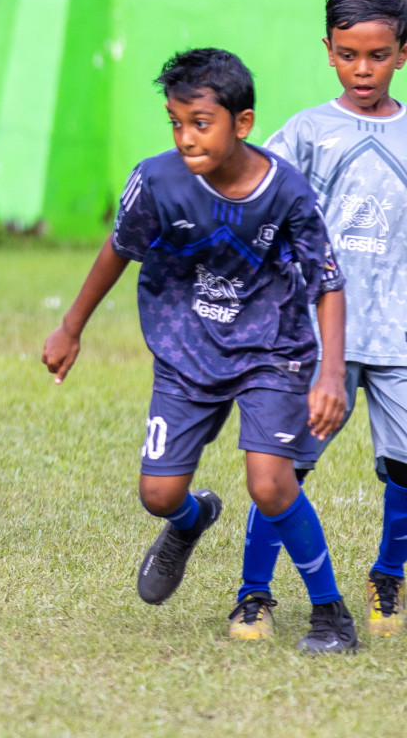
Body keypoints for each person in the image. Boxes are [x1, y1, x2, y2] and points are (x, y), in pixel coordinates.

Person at [42, 48, 358, 653]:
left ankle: (330, 613)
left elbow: (327, 280)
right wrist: (71, 326)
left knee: (270, 484)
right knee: (157, 495)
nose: (186, 137)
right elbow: (118, 248)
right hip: (186, 351)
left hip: (272, 351)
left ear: (242, 123)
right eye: (175, 122)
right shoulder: (156, 181)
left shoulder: (286, 191)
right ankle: (193, 520)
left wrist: (331, 373)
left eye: (201, 123)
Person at [231, 0, 407, 641]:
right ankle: (254, 593)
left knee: (406, 467)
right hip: (314, 339)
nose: (364, 69)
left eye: (379, 54)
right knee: (282, 467)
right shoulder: (307, 132)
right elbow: (258, 204)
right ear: (328, 51)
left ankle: (388, 574)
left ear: (404, 53)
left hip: (398, 336)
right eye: (349, 54)